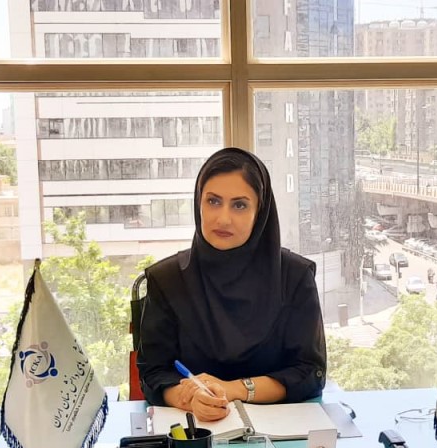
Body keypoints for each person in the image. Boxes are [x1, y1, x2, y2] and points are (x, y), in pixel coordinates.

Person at [137, 147, 326, 421]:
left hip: (279, 432)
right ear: (198, 204)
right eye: (213, 201)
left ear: (260, 211)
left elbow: (310, 372)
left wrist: (233, 389)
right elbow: (153, 373)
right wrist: (189, 398)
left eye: (239, 205)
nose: (223, 219)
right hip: (194, 429)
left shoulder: (295, 277)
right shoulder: (167, 279)